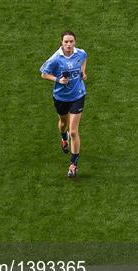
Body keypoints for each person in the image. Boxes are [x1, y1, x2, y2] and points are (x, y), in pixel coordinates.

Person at [40, 31, 87, 178]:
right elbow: (43, 73)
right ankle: (63, 137)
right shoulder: (55, 58)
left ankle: (73, 165)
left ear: (75, 41)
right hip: (60, 97)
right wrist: (58, 80)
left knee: (73, 131)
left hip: (78, 95)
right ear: (61, 42)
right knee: (63, 124)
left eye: (71, 41)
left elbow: (84, 58)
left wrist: (83, 72)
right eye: (66, 42)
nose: (69, 44)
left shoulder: (80, 53)